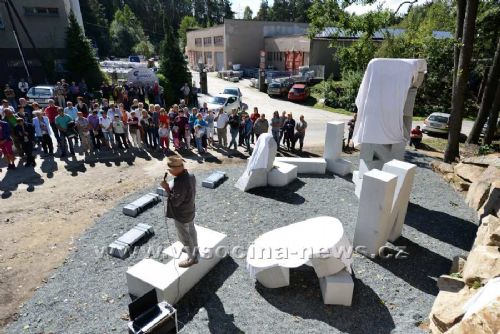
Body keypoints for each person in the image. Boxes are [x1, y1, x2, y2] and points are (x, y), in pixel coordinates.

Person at [160, 156, 199, 268]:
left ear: (177, 169)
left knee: (184, 236)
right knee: (191, 230)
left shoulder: (179, 183)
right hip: (190, 209)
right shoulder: (190, 175)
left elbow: (175, 202)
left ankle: (191, 258)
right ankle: (194, 249)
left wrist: (167, 188)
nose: (170, 172)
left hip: (181, 214)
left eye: (171, 170)